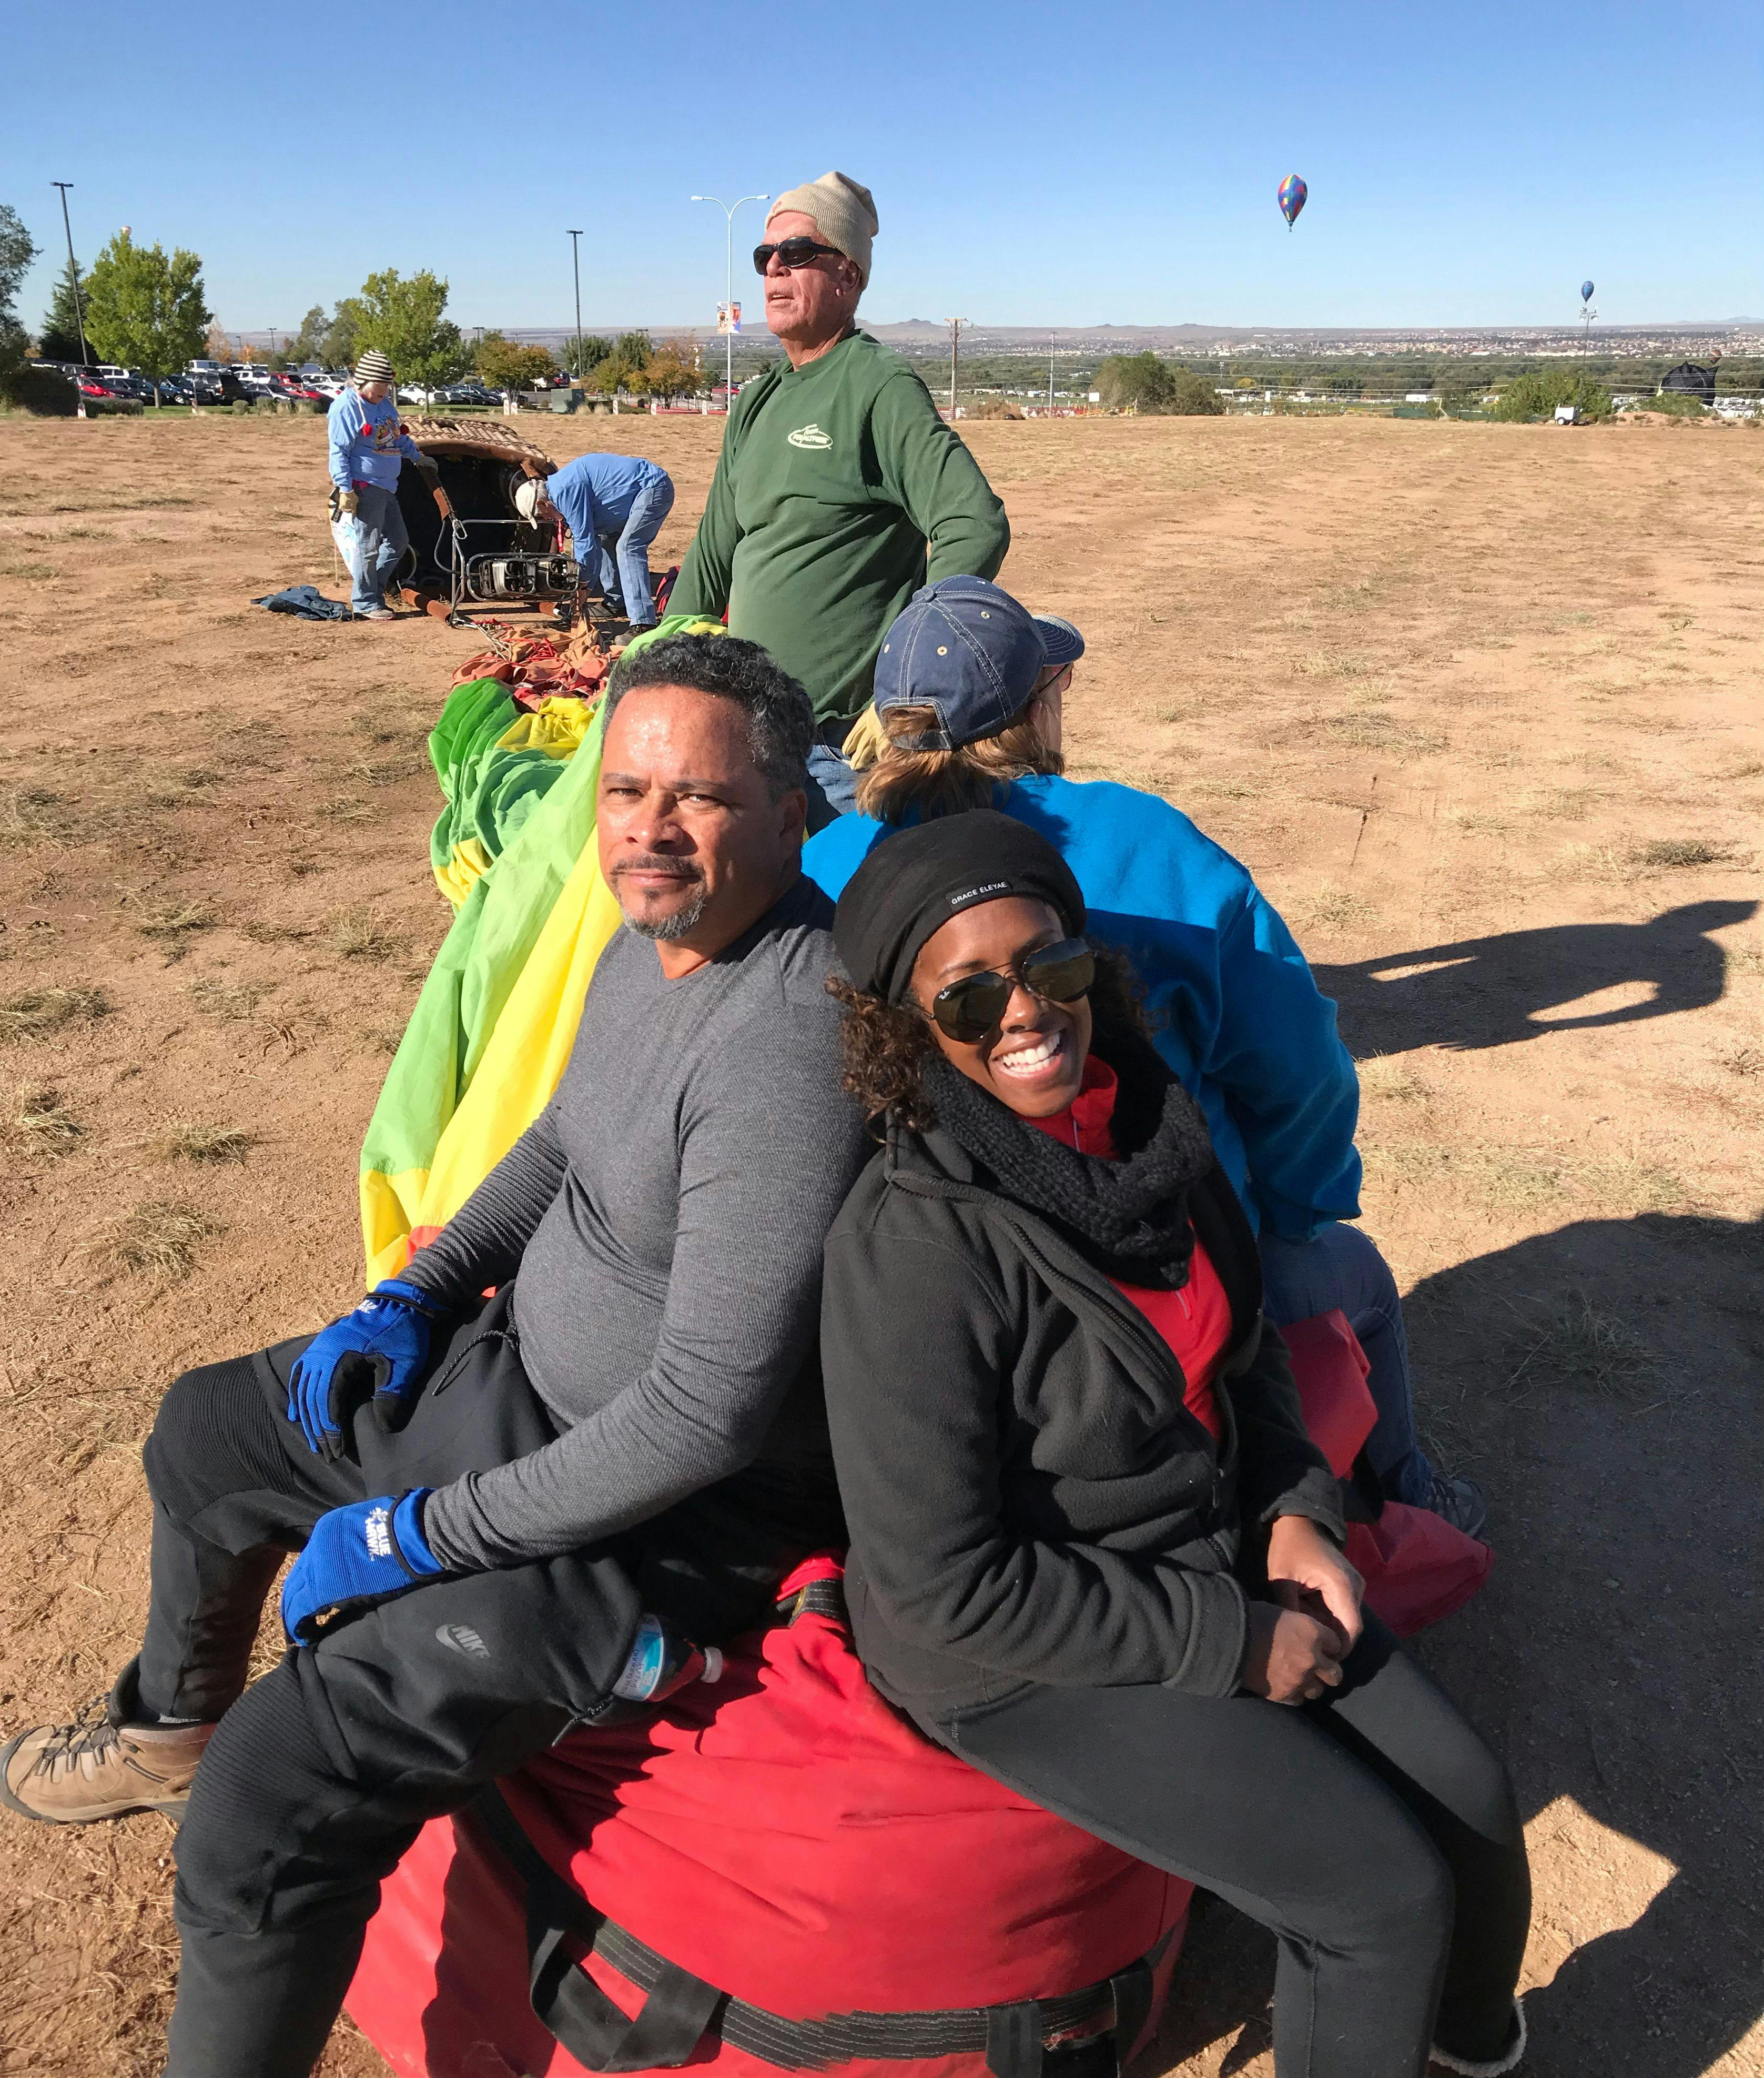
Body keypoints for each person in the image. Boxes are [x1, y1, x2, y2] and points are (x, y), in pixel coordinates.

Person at [0, 635, 868, 2078]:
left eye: (697, 797)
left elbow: (705, 1414)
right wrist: (420, 1287)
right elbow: (559, 1144)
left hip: (649, 1524)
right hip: (518, 1390)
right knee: (214, 1430)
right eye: (625, 788)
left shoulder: (784, 1033)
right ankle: (168, 1723)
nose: (647, 826)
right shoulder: (649, 939)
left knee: (268, 1808)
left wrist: (415, 1530)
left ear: (791, 813)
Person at [819, 813, 1532, 2078]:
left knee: (1473, 1809)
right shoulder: (916, 1244)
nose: (1023, 1013)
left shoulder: (1148, 1122)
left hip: (1204, 1541)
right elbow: (943, 1580)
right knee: (1376, 1899)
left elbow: (1247, 1347)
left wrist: (1299, 1508)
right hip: (1025, 1643)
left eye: (1049, 967)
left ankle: (1471, 2047)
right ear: (908, 1028)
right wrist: (1236, 1645)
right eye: (968, 995)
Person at [803, 579, 1485, 1532]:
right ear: (1036, 707)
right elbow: (1297, 1072)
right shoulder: (1143, 843)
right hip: (1151, 1272)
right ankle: (1405, 1499)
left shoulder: (828, 865)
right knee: (1353, 1272)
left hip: (934, 1299)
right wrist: (1286, 1211)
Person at [668, 170, 1010, 825]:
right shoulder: (758, 401)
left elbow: (975, 525)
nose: (774, 269)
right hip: (751, 738)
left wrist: (908, 685)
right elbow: (713, 555)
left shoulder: (878, 385)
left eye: (797, 253)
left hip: (842, 752)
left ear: (848, 276)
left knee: (854, 922)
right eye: (765, 257)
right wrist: (653, 672)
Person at [325, 347, 439, 620]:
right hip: (365, 485)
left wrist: (417, 457)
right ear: (362, 382)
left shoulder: (385, 406)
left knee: (399, 541)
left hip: (389, 486)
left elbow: (396, 438)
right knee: (369, 545)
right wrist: (345, 488)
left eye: (386, 389)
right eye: (378, 390)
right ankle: (365, 602)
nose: (382, 395)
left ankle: (372, 590)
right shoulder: (346, 407)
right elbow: (338, 450)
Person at [513, 451, 675, 629]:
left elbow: (585, 545)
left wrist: (582, 589)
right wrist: (585, 587)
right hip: (635, 494)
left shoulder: (565, 492)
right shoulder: (560, 490)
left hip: (653, 487)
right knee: (607, 539)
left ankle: (643, 623)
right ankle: (616, 603)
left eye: (542, 517)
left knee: (628, 547)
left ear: (542, 504)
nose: (549, 521)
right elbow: (593, 547)